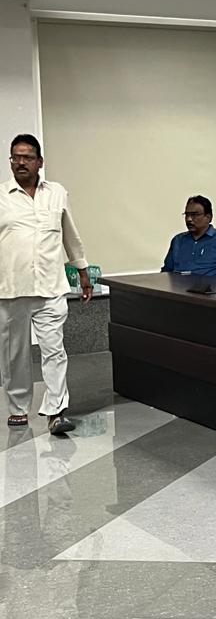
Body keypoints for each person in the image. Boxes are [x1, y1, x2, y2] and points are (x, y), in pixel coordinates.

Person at [1, 134, 89, 434]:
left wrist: (83, 270)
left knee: (54, 349)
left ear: (40, 161)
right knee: (15, 354)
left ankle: (56, 411)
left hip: (51, 286)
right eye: (15, 157)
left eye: (27, 157)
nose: (20, 162)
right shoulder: (1, 196)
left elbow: (69, 233)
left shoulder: (57, 193)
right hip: (12, 289)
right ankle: (17, 407)